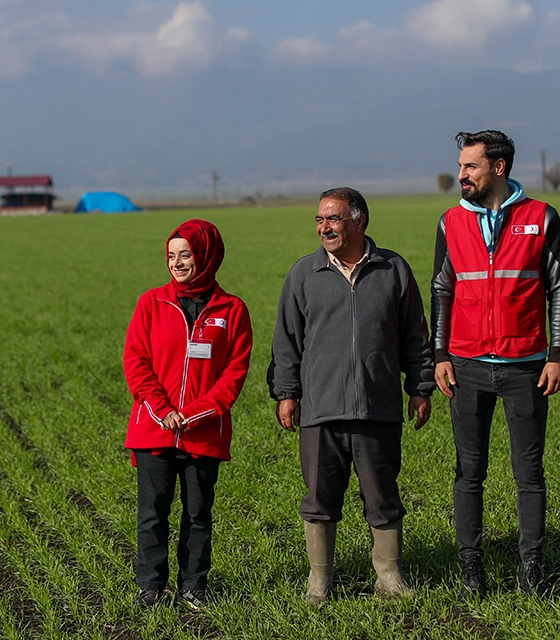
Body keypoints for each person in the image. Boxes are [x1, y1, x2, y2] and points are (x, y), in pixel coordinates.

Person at [267, 187, 434, 604]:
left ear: (360, 221)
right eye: (320, 220)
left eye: (334, 219)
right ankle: (319, 582)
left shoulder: (393, 269)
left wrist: (419, 387)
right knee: (319, 498)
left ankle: (389, 577)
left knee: (383, 496)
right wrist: (287, 393)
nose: (325, 228)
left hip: (378, 407)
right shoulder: (304, 274)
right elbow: (286, 342)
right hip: (321, 410)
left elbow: (416, 335)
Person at [431, 130, 560, 600]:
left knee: (528, 473)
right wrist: (439, 355)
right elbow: (442, 289)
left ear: (498, 167)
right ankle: (471, 567)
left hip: (526, 367)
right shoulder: (451, 222)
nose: (461, 174)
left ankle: (531, 568)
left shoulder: (541, 218)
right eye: (460, 165)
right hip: (467, 366)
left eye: (470, 166)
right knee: (468, 472)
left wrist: (558, 354)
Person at [123, 218, 253, 610]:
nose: (177, 263)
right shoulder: (151, 302)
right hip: (155, 428)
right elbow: (136, 361)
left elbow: (234, 372)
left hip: (203, 432)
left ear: (206, 255)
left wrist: (194, 414)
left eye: (186, 254)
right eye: (171, 256)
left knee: (198, 514)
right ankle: (150, 585)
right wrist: (163, 411)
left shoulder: (232, 310)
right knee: (152, 513)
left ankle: (194, 585)